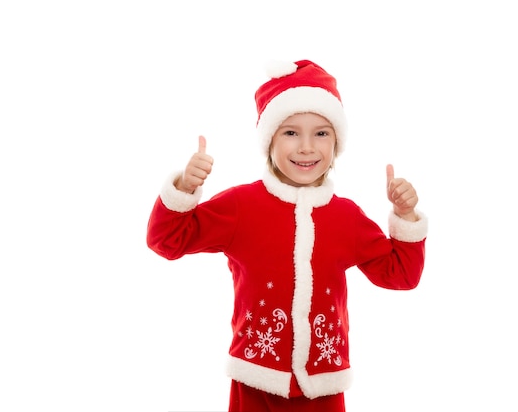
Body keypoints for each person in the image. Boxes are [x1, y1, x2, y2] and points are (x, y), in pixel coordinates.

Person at [147, 59, 428, 412]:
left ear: (337, 142)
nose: (306, 147)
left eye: (321, 133)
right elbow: (166, 240)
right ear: (269, 141)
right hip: (255, 381)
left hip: (323, 387)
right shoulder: (241, 206)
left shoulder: (346, 217)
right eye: (291, 132)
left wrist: (405, 217)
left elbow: (402, 274)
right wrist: (184, 188)